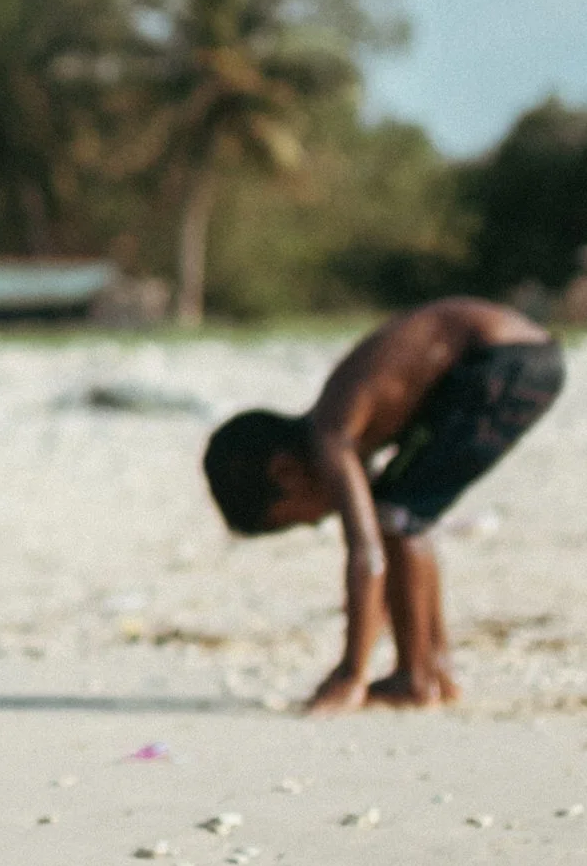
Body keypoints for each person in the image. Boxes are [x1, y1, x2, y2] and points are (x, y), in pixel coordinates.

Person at [200, 297, 563, 713]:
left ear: (286, 473)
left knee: (397, 516)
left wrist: (350, 673)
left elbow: (366, 556)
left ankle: (414, 677)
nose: (321, 518)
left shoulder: (331, 437)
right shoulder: (346, 423)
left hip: (503, 362)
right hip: (517, 358)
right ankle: (432, 669)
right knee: (405, 513)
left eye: (301, 518)